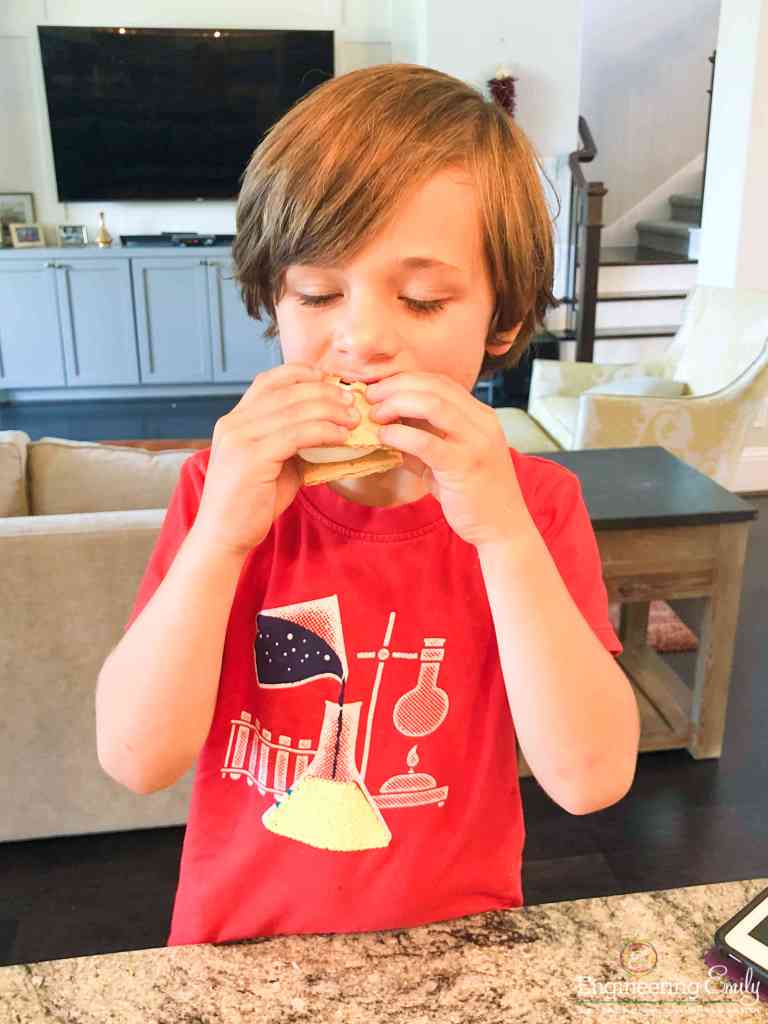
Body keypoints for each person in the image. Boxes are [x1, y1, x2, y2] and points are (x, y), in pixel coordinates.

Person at [95, 63, 639, 948]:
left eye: (422, 299)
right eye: (317, 293)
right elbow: (135, 758)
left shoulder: (533, 507)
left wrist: (502, 535)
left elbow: (590, 780)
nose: (361, 339)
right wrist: (221, 538)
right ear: (276, 299)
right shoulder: (218, 491)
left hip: (455, 948)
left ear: (501, 322)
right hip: (241, 948)